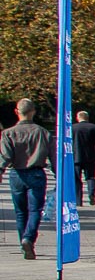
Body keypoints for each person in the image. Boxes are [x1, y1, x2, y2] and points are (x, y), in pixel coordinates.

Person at [2, 98, 52, 259]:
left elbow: (5, 156)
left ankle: (23, 243)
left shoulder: (8, 133)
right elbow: (53, 156)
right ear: (33, 111)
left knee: (20, 212)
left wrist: (1, 170)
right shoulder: (43, 132)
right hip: (36, 173)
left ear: (17, 112)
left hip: (17, 174)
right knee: (35, 210)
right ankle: (28, 238)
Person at [71, 110, 95, 206]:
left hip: (76, 156)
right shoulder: (94, 127)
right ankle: (91, 193)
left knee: (76, 179)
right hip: (90, 156)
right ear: (87, 118)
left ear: (78, 117)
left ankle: (78, 200)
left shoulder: (72, 128)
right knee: (90, 177)